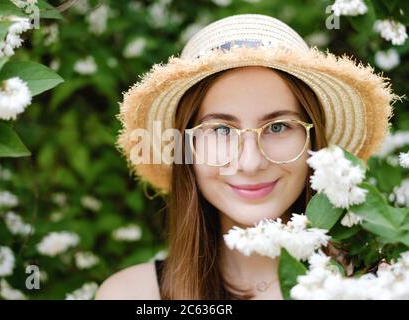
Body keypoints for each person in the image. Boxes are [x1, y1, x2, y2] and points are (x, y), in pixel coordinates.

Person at [95, 14, 395, 300]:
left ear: (313, 143)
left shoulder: (379, 283)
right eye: (222, 129)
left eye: (278, 127)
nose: (250, 163)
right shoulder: (130, 294)